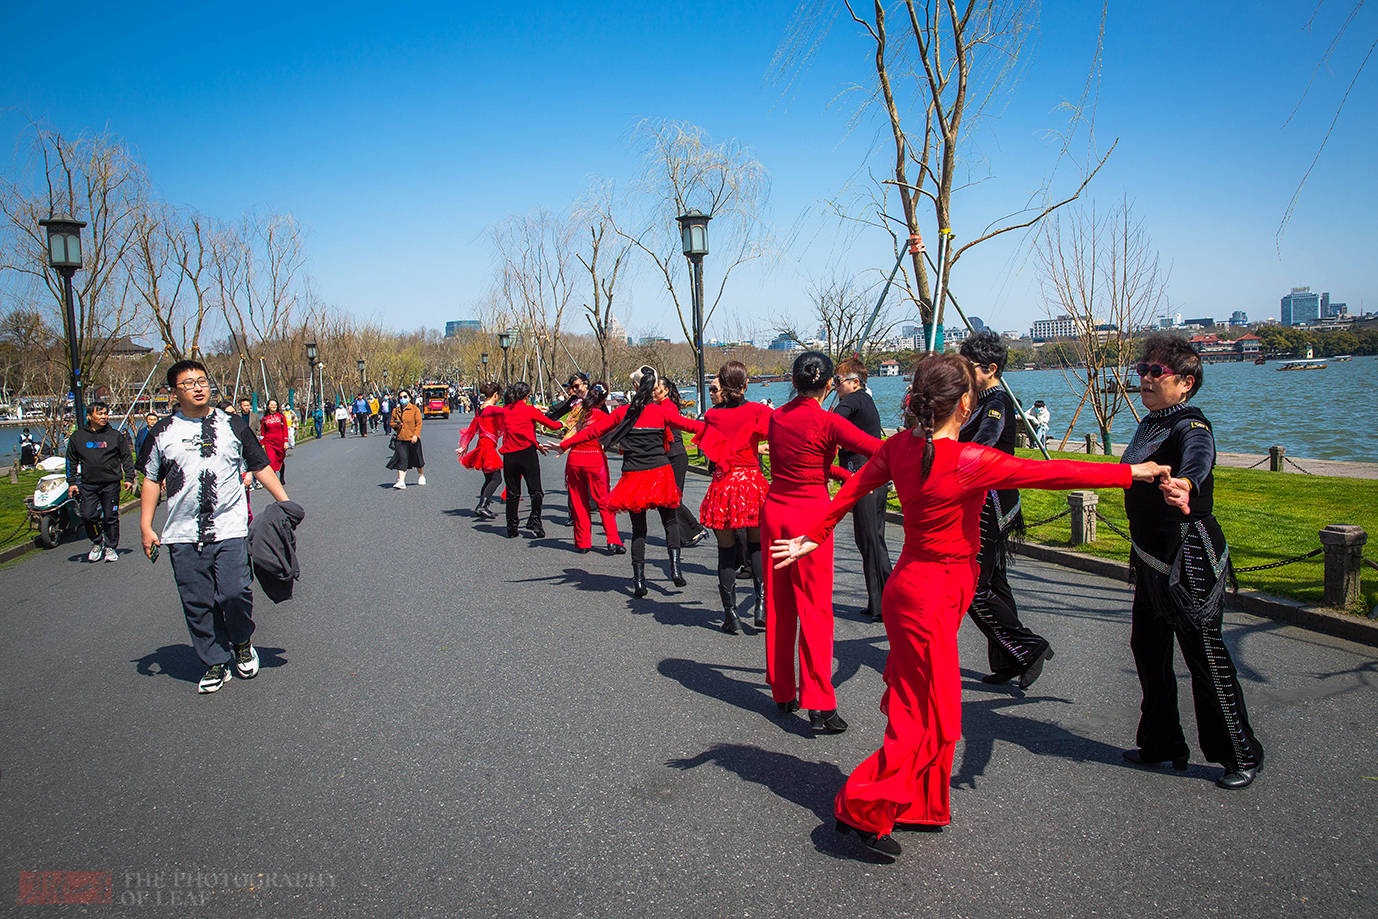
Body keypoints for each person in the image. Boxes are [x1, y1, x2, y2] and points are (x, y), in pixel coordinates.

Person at [770, 352, 1170, 857]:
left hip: (926, 591)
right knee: (926, 708)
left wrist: (816, 531)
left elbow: (852, 487)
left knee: (929, 700)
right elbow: (1055, 474)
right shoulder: (967, 462)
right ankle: (861, 805)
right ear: (964, 403)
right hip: (928, 594)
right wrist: (1132, 472)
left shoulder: (900, 448)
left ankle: (920, 803)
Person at [1123, 334, 1264, 789]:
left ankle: (1240, 753)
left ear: (1185, 382)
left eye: (1155, 372)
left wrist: (1187, 483)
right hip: (1150, 557)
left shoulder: (1191, 424)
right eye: (1142, 369)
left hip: (1189, 559)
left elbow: (1200, 457)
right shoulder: (1151, 422)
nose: (1143, 378)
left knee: (1205, 655)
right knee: (1148, 650)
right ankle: (1162, 743)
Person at [138, 360, 290, 694]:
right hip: (182, 532)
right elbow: (150, 479)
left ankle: (240, 641)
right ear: (174, 392)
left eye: (202, 380)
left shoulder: (233, 424)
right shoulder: (162, 432)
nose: (198, 386)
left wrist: (284, 501)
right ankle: (214, 661)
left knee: (235, 591)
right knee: (197, 601)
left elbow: (260, 465)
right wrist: (146, 525)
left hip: (230, 525)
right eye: (188, 382)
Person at [761, 352, 881, 733]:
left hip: (775, 509)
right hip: (811, 515)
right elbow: (877, 449)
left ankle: (783, 689)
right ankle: (818, 700)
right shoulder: (828, 421)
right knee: (814, 609)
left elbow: (795, 459)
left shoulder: (776, 417)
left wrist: (836, 471)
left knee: (781, 605)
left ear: (793, 381)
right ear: (829, 385)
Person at [958, 329, 1051, 688]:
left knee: (972, 585)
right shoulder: (979, 399)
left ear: (991, 368)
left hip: (993, 501)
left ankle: (1028, 647)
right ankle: (1008, 658)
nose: (964, 372)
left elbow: (986, 441)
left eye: (970, 367)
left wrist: (955, 457)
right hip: (989, 498)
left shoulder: (997, 403)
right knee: (995, 580)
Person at [560, 366, 698, 596]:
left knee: (639, 530)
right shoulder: (662, 412)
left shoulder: (622, 412)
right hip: (660, 473)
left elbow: (592, 432)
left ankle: (639, 581)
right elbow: (692, 426)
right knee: (671, 522)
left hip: (634, 475)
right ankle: (675, 568)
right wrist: (727, 429)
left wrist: (564, 444)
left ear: (634, 387)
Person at [666, 361, 771, 634]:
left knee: (725, 552)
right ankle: (761, 605)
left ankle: (731, 614)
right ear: (746, 384)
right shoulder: (758, 411)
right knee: (757, 547)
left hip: (725, 484)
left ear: (722, 387)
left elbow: (712, 444)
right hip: (751, 482)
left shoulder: (713, 415)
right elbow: (771, 436)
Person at [832, 357, 892, 623]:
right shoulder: (863, 399)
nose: (835, 388)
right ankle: (879, 599)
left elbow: (832, 422)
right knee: (870, 538)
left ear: (855, 382)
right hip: (868, 471)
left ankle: (885, 601)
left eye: (838, 382)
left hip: (863, 472)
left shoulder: (855, 399)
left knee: (869, 538)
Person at [548, 382, 625, 554]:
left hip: (575, 458)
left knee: (578, 501)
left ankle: (582, 542)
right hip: (594, 458)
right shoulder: (604, 417)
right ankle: (612, 539)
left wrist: (563, 446)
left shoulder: (577, 411)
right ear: (603, 399)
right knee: (604, 500)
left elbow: (569, 429)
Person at [65, 401, 136, 562]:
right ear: (89, 416)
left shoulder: (115, 436)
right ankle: (97, 542)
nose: (104, 417)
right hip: (88, 484)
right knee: (87, 515)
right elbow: (71, 460)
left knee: (110, 516)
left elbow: (126, 457)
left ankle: (111, 547)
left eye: (105, 413)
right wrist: (72, 482)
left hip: (111, 483)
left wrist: (129, 478)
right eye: (100, 413)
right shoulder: (78, 437)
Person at [496, 381, 562, 538]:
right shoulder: (529, 410)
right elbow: (552, 425)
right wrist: (562, 423)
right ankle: (535, 520)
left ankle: (511, 527)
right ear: (527, 395)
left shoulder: (505, 411)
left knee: (513, 492)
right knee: (536, 491)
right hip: (527, 454)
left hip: (510, 455)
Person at [654, 376, 709, 549]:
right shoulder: (658, 407)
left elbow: (685, 425)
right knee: (664, 499)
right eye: (652, 388)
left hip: (676, 456)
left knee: (672, 498)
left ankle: (694, 530)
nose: (653, 391)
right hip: (666, 457)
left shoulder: (668, 407)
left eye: (656, 388)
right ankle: (681, 534)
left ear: (666, 391)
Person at [457, 381, 505, 519]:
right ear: (495, 395)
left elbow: (473, 427)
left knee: (489, 478)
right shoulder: (491, 409)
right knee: (497, 479)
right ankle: (482, 506)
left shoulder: (480, 408)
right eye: (498, 397)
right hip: (488, 446)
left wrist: (465, 445)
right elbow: (509, 412)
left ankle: (483, 505)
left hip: (482, 444)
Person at [387, 389, 426, 488]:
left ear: (409, 397)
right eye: (400, 397)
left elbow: (419, 424)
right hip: (401, 439)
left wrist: (416, 435)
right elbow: (391, 423)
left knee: (418, 459)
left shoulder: (414, 409)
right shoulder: (396, 411)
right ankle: (401, 481)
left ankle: (421, 475)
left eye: (405, 397)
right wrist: (397, 425)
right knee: (402, 460)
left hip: (413, 439)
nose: (403, 399)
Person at [259, 399, 288, 486]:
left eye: (275, 405)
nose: (273, 406)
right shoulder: (264, 419)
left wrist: (286, 441)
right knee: (271, 460)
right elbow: (262, 432)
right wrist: (262, 443)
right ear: (268, 406)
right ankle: (273, 479)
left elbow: (285, 430)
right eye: (271, 405)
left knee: (280, 460)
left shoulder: (281, 417)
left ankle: (281, 476)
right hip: (269, 443)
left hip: (280, 442)